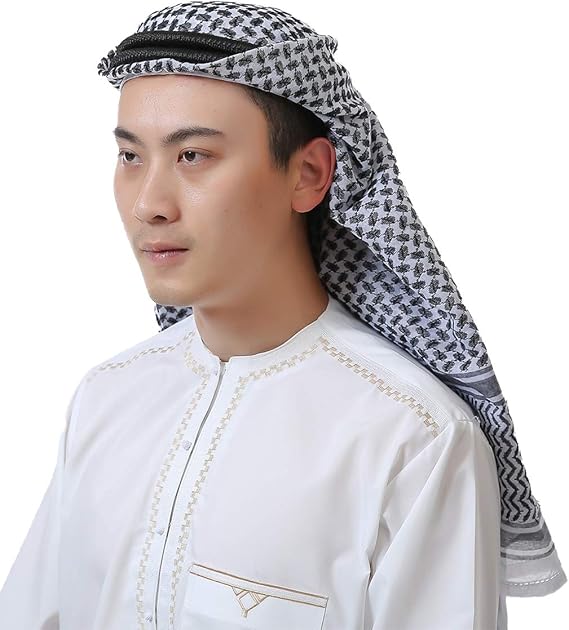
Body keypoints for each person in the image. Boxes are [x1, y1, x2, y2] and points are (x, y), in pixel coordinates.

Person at [0, 2, 565, 628]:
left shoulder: (411, 438)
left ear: (309, 174)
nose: (149, 204)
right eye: (131, 157)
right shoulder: (106, 398)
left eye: (193, 156)